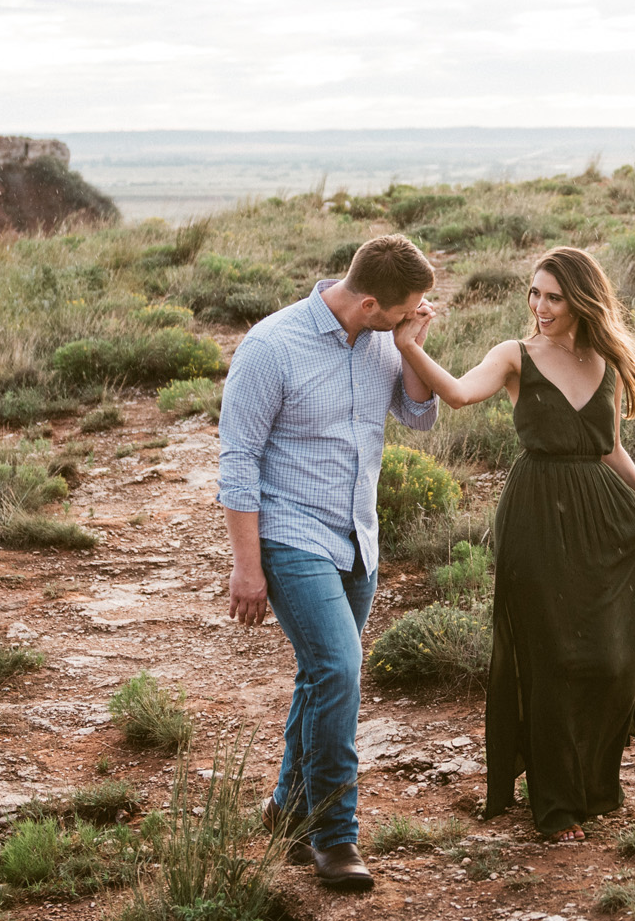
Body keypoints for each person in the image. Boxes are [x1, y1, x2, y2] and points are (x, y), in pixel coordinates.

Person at [394, 245, 635, 841]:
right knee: (550, 658)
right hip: (536, 516)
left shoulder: (605, 360)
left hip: (600, 517)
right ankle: (556, 803)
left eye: (553, 297)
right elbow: (462, 395)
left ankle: (595, 781)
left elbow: (608, 448)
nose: (539, 307)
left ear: (581, 301)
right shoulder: (514, 357)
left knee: (609, 657)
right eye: (534, 294)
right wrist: (411, 347)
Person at [215, 234, 441, 891]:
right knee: (340, 669)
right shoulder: (270, 347)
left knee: (320, 678)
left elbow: (419, 418)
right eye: (408, 312)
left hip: (358, 540)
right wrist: (247, 567)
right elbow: (238, 460)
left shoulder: (384, 343)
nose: (415, 317)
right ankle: (333, 836)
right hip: (291, 537)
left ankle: (286, 807)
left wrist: (412, 347)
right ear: (371, 301)